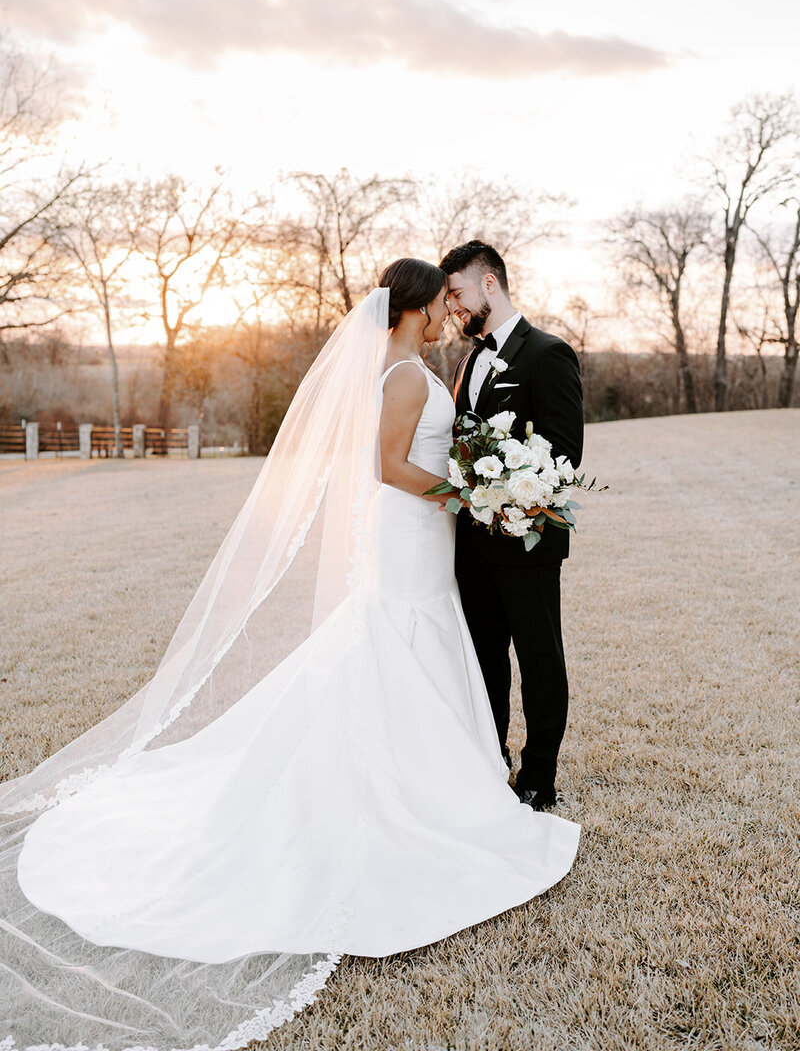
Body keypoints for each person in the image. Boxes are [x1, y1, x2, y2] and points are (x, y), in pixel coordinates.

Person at [0, 260, 579, 1051]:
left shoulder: (412, 364)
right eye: (440, 302)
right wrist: (466, 495)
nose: (451, 311)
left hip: (420, 544)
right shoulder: (407, 375)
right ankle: (407, 784)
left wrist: (474, 486)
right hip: (414, 538)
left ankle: (433, 767)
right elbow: (387, 466)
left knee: (410, 649)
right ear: (412, 308)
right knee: (398, 645)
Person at [438, 240, 584, 811]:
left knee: (539, 658)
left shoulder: (549, 353)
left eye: (457, 294)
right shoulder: (468, 359)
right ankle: (489, 758)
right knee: (483, 658)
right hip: (471, 546)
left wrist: (509, 495)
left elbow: (564, 454)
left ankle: (538, 777)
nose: (452, 307)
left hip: (528, 541)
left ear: (489, 284)